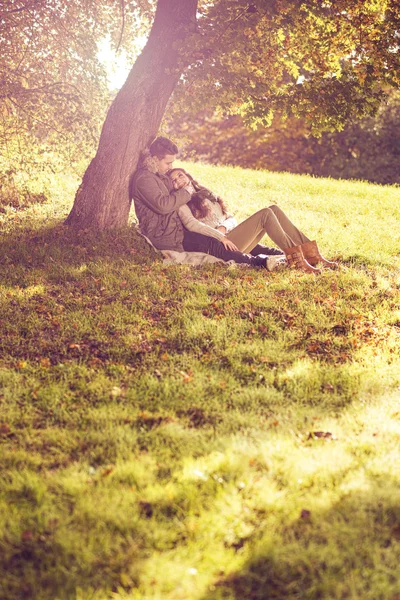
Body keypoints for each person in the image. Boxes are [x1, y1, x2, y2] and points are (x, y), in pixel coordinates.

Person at [130, 137, 288, 271]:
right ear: (154, 159)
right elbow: (163, 205)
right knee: (216, 245)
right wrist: (187, 193)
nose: (170, 167)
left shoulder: (159, 176)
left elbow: (225, 215)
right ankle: (259, 262)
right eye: (168, 163)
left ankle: (280, 255)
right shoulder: (145, 179)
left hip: (178, 232)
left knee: (223, 242)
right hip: (167, 236)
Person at [168, 167, 337, 272]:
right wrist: (220, 236)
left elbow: (229, 217)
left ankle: (312, 255)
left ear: (188, 176)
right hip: (223, 245)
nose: (178, 181)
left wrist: (224, 228)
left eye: (180, 175)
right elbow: (192, 225)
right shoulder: (181, 202)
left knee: (273, 209)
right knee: (265, 214)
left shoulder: (205, 193)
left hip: (230, 235)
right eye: (174, 180)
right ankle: (298, 262)